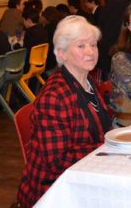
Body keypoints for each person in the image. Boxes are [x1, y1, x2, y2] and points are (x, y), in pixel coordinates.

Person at [17, 16, 112, 207]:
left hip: (83, 174)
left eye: (93, 45)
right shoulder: (54, 96)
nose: (90, 52)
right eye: (81, 46)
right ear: (61, 54)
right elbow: (56, 161)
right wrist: (108, 148)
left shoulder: (87, 81)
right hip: (54, 191)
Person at [22, 8, 49, 72]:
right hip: (42, 63)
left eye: (23, 20)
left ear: (28, 20)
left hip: (30, 66)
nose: (23, 22)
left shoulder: (29, 33)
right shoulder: (43, 29)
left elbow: (26, 51)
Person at [40, 6, 65, 73]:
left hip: (51, 61)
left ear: (45, 17)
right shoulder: (60, 25)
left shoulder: (48, 28)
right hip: (61, 58)